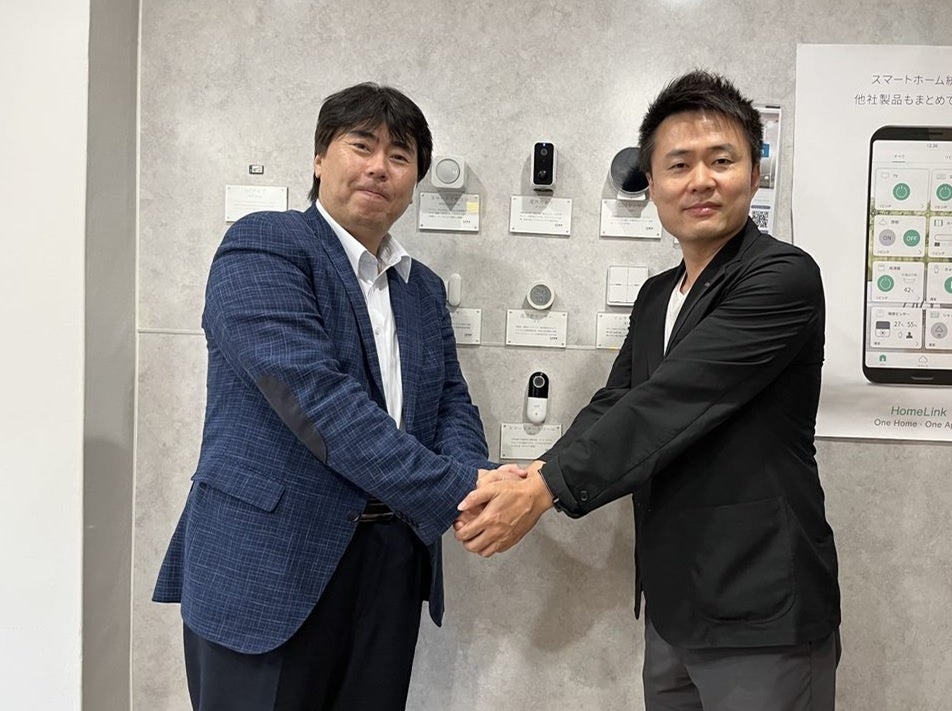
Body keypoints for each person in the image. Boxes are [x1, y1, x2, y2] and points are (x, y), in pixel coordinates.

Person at [454, 70, 842, 710]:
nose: (700, 181)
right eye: (679, 165)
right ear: (653, 184)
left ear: (755, 174)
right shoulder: (658, 294)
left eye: (722, 161)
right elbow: (618, 399)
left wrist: (546, 491)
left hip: (761, 604)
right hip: (672, 600)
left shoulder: (782, 277)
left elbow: (672, 403)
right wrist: (536, 471)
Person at [154, 82, 515, 711]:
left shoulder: (422, 289)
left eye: (399, 156)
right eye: (362, 146)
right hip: (269, 562)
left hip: (391, 562)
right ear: (320, 158)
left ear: (414, 182)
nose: (379, 167)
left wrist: (474, 478)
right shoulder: (264, 245)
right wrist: (462, 490)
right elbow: (320, 404)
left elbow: (450, 404)